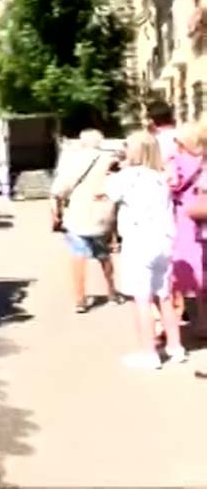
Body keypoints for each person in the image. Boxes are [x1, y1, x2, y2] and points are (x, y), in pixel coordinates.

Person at [106, 130, 184, 369]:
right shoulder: (161, 177)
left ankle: (149, 353)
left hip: (139, 240)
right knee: (164, 295)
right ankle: (175, 347)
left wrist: (112, 170)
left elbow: (107, 196)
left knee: (140, 298)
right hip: (164, 239)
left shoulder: (127, 176)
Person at [50, 129, 117, 313]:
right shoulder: (109, 159)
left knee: (78, 256)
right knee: (104, 255)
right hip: (103, 213)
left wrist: (56, 206)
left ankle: (79, 299)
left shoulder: (75, 160)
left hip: (79, 213)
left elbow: (60, 187)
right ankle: (112, 291)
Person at [168, 123, 207, 336]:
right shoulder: (201, 162)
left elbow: (172, 184)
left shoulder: (179, 161)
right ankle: (202, 320)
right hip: (201, 220)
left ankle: (186, 317)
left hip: (189, 219)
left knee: (187, 270)